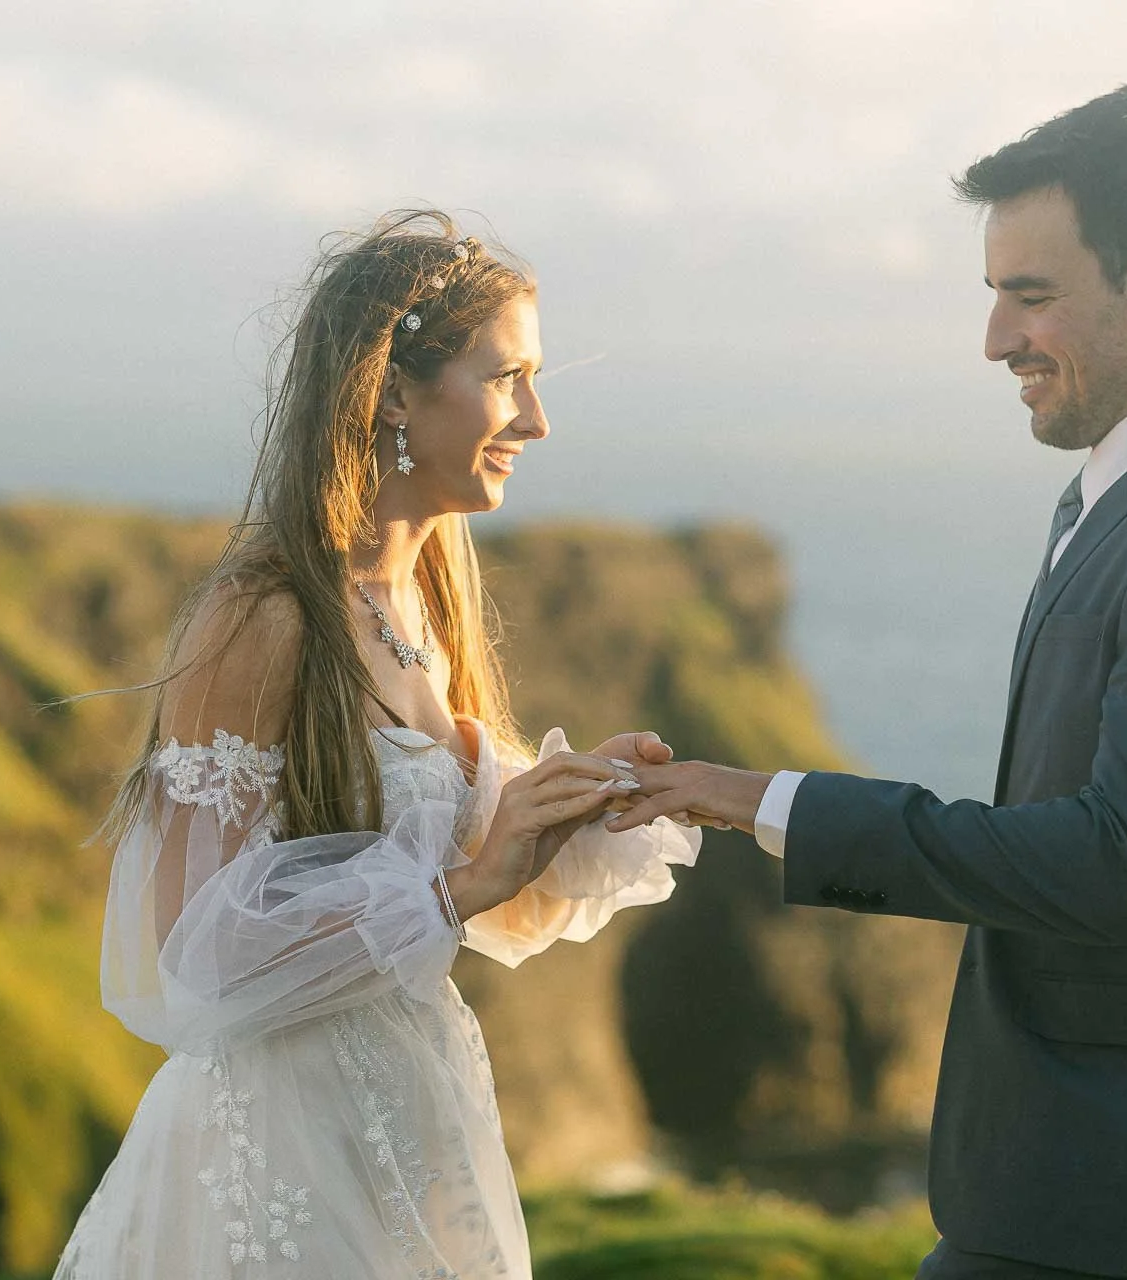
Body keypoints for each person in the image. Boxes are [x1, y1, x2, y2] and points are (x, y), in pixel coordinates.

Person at [610, 86, 1127, 1280]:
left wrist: (770, 800)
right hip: (1078, 1168)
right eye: (994, 297)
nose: (996, 340)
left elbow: (1123, 864)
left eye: (1032, 296)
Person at [53, 211, 699, 1278]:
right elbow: (195, 965)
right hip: (282, 1152)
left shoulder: (429, 603)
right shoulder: (262, 617)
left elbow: (494, 892)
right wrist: (461, 884)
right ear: (395, 390)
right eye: (508, 379)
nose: (534, 419)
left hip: (419, 1120)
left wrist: (562, 805)